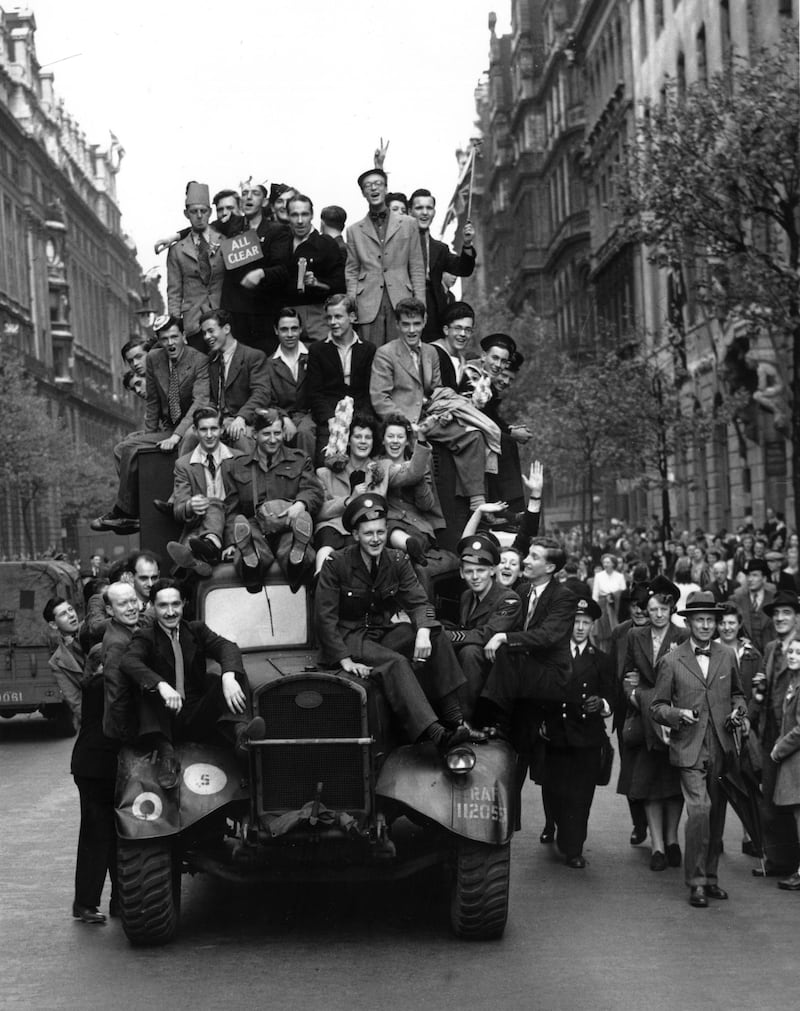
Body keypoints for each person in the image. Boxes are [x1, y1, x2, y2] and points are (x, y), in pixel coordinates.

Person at [313, 493, 483, 764]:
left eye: (381, 531)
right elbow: (324, 617)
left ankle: (456, 720)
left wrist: (424, 630)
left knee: (436, 636)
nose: (376, 539)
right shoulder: (336, 564)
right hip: (350, 637)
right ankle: (435, 733)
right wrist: (343, 659)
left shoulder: (397, 560)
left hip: (381, 632)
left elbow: (419, 601)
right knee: (395, 663)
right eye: (368, 533)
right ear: (355, 535)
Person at [651, 591, 747, 908]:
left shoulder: (726, 656)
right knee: (700, 811)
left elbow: (738, 695)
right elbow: (657, 707)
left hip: (720, 746)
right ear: (689, 622)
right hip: (689, 747)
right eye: (699, 619)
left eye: (710, 620)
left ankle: (711, 878)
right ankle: (696, 882)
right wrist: (678, 715)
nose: (705, 625)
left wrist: (738, 712)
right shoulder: (671, 660)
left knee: (716, 815)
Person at [120, 578, 264, 789]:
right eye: (163, 605)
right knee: (145, 688)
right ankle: (166, 757)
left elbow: (227, 647)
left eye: (175, 604)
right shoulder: (145, 636)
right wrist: (161, 685)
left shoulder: (195, 630)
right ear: (152, 607)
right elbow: (129, 661)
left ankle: (241, 736)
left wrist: (228, 677)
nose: (170, 612)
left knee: (233, 672)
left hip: (196, 715)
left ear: (184, 603)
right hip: (164, 721)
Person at [92, 315, 210, 533]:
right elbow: (153, 404)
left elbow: (200, 402)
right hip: (169, 427)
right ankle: (134, 511)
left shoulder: (199, 360)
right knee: (123, 448)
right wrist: (148, 437)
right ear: (158, 341)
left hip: (191, 425)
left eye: (174, 337)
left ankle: (126, 512)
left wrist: (176, 436)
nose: (170, 343)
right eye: (165, 339)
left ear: (183, 336)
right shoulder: (155, 359)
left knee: (131, 447)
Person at [369, 298, 488, 511]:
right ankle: (432, 517)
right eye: (406, 324)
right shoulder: (385, 354)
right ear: (397, 325)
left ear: (424, 322)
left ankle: (477, 500)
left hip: (429, 418)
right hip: (400, 422)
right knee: (422, 456)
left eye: (416, 323)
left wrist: (445, 411)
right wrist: (406, 424)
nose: (411, 330)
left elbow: (435, 389)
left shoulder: (431, 352)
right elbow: (380, 399)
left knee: (473, 435)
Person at [537, 590, 614, 868]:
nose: (580, 628)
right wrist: (541, 722)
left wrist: (602, 703)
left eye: (585, 622)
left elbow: (611, 695)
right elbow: (539, 692)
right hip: (557, 736)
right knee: (557, 792)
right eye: (575, 621)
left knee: (581, 797)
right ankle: (558, 827)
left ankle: (574, 848)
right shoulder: (551, 656)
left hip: (587, 738)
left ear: (592, 626)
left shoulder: (601, 659)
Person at [476, 538, 576, 743]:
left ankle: (494, 720)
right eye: (528, 554)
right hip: (524, 667)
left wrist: (504, 637)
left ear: (549, 567)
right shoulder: (523, 591)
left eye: (534, 557)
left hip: (550, 674)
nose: (526, 561)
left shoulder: (563, 597)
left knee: (504, 649)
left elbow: (546, 636)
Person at [620, 577, 688, 872]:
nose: (658, 614)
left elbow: (689, 676)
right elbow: (628, 675)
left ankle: (673, 841)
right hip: (646, 717)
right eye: (652, 609)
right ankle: (657, 846)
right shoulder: (636, 635)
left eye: (663, 608)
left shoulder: (683, 634)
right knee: (648, 783)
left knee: (673, 784)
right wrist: (636, 696)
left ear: (672, 608)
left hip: (675, 718)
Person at [222, 407, 323, 593]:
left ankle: (295, 558)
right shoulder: (237, 466)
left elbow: (313, 491)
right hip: (255, 523)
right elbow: (232, 508)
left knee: (292, 542)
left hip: (290, 521)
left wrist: (301, 505)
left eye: (277, 433)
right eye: (266, 434)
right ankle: (251, 558)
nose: (273, 439)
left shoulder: (299, 460)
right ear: (254, 434)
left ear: (283, 433)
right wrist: (230, 541)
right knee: (252, 541)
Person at [344, 168, 425, 346]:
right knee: (370, 356)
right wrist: (351, 305)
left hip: (402, 298)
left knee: (402, 355)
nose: (373, 189)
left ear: (386, 188)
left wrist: (420, 306)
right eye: (368, 186)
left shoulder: (408, 224)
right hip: (368, 303)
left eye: (378, 184)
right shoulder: (354, 230)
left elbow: (417, 267)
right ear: (363, 192)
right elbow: (352, 271)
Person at [444, 533, 522, 718]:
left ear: (492, 571)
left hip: (499, 670)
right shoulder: (466, 597)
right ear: (462, 573)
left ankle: (464, 719)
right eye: (469, 571)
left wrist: (451, 637)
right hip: (474, 665)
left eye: (481, 570)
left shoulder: (509, 599)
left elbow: (488, 633)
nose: (475, 577)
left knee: (469, 652)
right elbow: (465, 627)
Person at [70, 644, 119, 924]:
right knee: (98, 836)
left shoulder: (93, 684)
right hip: (96, 769)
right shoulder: (101, 685)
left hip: (94, 767)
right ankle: (86, 904)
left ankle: (109, 901)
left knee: (106, 834)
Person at [752, 590, 800, 876]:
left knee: (795, 803)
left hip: (793, 736)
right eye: (776, 614)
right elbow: (763, 690)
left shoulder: (799, 647)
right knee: (770, 802)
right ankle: (779, 861)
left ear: (797, 617)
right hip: (770, 734)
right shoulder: (770, 649)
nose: (780, 618)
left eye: (787, 613)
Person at [220, 177, 292, 354]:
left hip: (263, 315)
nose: (249, 197)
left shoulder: (277, 230)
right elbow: (204, 228)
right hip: (235, 314)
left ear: (265, 201)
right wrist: (174, 237)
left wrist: (261, 273)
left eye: (255, 193)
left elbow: (283, 270)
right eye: (245, 193)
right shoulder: (232, 224)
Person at [166, 407, 241, 577]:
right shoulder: (183, 465)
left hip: (231, 525)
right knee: (183, 569)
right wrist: (190, 506)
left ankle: (209, 547)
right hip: (198, 528)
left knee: (214, 502)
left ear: (221, 430)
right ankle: (202, 556)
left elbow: (241, 507)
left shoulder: (239, 460)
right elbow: (178, 510)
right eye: (203, 429)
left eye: (214, 429)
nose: (209, 435)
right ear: (195, 431)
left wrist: (232, 541)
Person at [306, 294, 377, 460]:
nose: (333, 322)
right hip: (329, 417)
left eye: (338, 316)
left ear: (352, 317)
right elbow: (315, 393)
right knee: (326, 461)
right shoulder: (318, 350)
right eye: (329, 317)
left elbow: (370, 390)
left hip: (360, 415)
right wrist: (331, 420)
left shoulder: (368, 349)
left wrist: (359, 419)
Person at [609, 580, 651, 846]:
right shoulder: (620, 632)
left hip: (652, 708)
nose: (639, 611)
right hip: (625, 711)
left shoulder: (662, 632)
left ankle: (655, 823)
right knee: (630, 769)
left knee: (652, 769)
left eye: (644, 607)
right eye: (635, 606)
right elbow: (612, 670)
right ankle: (639, 823)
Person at [312, 411, 379, 575]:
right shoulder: (325, 473)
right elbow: (319, 512)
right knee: (327, 546)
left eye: (368, 437)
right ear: (349, 440)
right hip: (331, 529)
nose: (363, 442)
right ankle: (319, 580)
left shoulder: (378, 472)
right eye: (358, 437)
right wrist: (349, 500)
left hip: (362, 531)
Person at [407, 188, 476, 341]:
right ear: (410, 211)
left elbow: (463, 269)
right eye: (419, 208)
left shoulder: (440, 249)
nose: (424, 212)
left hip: (433, 316)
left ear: (434, 212)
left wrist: (467, 244)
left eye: (429, 208)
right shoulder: (398, 244)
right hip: (404, 310)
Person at [166, 181, 225, 353]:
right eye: (194, 211)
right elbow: (174, 293)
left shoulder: (224, 241)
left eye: (203, 211)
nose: (199, 216)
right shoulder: (177, 250)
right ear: (186, 214)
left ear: (210, 212)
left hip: (222, 318)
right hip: (194, 324)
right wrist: (176, 329)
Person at [201, 308, 270, 452]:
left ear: (226, 328)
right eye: (204, 333)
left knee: (240, 439)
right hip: (218, 421)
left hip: (244, 420)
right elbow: (212, 397)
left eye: (211, 331)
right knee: (190, 435)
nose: (207, 337)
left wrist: (242, 417)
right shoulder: (211, 360)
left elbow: (261, 393)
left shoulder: (253, 356)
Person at [285, 194, 346, 342]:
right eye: (294, 215)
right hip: (287, 316)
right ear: (288, 216)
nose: (300, 221)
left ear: (312, 215)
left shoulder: (326, 244)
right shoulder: (281, 243)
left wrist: (317, 283)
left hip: (318, 316)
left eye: (304, 214)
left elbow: (339, 284)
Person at [769, 638, 800, 890]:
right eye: (790, 651)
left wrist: (779, 748)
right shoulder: (793, 682)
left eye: (799, 652)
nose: (793, 655)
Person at [265, 307, 316, 462]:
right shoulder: (268, 364)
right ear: (276, 331)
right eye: (284, 329)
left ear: (301, 329)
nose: (290, 334)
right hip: (283, 414)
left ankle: (307, 478)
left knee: (304, 432)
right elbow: (267, 399)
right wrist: (283, 417)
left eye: (294, 329)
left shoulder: (313, 355)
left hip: (309, 414)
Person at [101, 581, 143, 743]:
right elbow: (117, 694)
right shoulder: (117, 643)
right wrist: (128, 736)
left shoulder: (130, 628)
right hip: (128, 729)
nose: (131, 608)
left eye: (133, 601)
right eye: (123, 604)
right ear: (110, 610)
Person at [44, 597, 87, 731]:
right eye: (63, 614)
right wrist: (91, 723)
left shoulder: (93, 630)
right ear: (53, 625)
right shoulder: (56, 661)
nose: (71, 615)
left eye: (70, 609)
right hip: (97, 714)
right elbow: (74, 700)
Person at [732, 559, 777, 652]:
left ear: (764, 578)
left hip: (770, 654)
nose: (750, 579)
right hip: (745, 655)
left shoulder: (774, 600)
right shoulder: (737, 599)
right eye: (748, 575)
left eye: (755, 575)